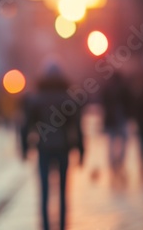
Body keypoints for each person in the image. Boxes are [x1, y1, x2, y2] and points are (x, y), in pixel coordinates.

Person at [21, 65, 84, 230]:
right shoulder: (68, 99)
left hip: (44, 148)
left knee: (44, 192)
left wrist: (24, 147)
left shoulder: (36, 98)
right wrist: (81, 149)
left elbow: (26, 125)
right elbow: (77, 126)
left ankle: (46, 226)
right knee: (63, 192)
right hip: (63, 148)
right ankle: (63, 226)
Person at [101, 72, 131, 174]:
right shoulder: (124, 89)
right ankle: (119, 161)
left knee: (111, 142)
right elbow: (129, 103)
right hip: (120, 119)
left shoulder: (107, 89)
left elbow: (103, 104)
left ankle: (113, 162)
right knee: (123, 141)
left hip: (112, 120)